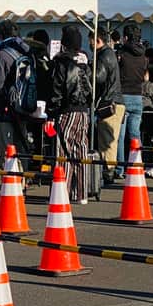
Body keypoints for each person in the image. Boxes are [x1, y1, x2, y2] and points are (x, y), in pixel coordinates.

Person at [48, 25, 92, 204]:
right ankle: (82, 193)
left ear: (64, 43)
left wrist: (51, 113)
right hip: (84, 112)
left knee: (63, 151)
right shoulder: (84, 62)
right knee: (81, 150)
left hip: (67, 111)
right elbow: (90, 89)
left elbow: (57, 90)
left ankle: (62, 192)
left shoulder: (62, 62)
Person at [0, 20, 34, 160]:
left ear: (0, 35)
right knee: (22, 146)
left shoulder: (1, 54)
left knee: (7, 150)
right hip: (24, 106)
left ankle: (9, 179)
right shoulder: (27, 50)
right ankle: (24, 177)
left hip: (5, 108)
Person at [92, 28, 124, 187]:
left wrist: (87, 69)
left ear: (98, 40)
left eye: (91, 40)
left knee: (107, 141)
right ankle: (109, 171)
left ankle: (108, 173)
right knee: (111, 140)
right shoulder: (109, 53)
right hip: (115, 101)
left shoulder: (104, 55)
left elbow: (98, 78)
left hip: (109, 102)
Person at [117, 23, 149, 174]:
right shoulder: (144, 56)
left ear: (125, 37)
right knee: (135, 134)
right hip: (138, 96)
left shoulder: (121, 54)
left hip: (123, 95)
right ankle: (137, 165)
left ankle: (120, 168)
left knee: (120, 136)